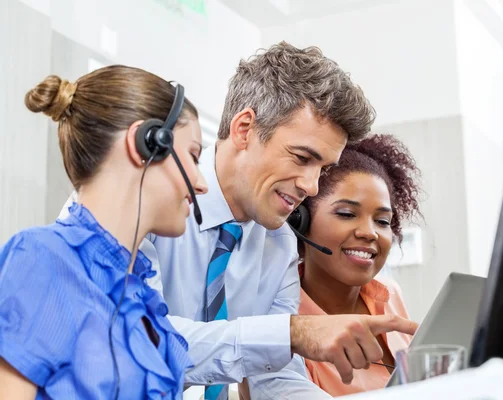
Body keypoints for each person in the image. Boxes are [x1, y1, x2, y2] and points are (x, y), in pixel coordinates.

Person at [145, 42, 418, 399]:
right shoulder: (147, 203)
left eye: (323, 169)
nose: (311, 185)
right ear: (244, 129)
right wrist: (291, 334)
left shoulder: (280, 244)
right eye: (302, 157)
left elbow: (273, 378)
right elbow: (144, 340)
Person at [0, 65, 208, 399]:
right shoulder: (42, 260)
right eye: (193, 157)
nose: (201, 183)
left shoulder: (145, 300)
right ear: (146, 143)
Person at [297, 133, 421, 397]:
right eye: (347, 214)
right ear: (301, 223)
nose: (370, 232)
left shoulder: (389, 295)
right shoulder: (284, 325)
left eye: (382, 221)